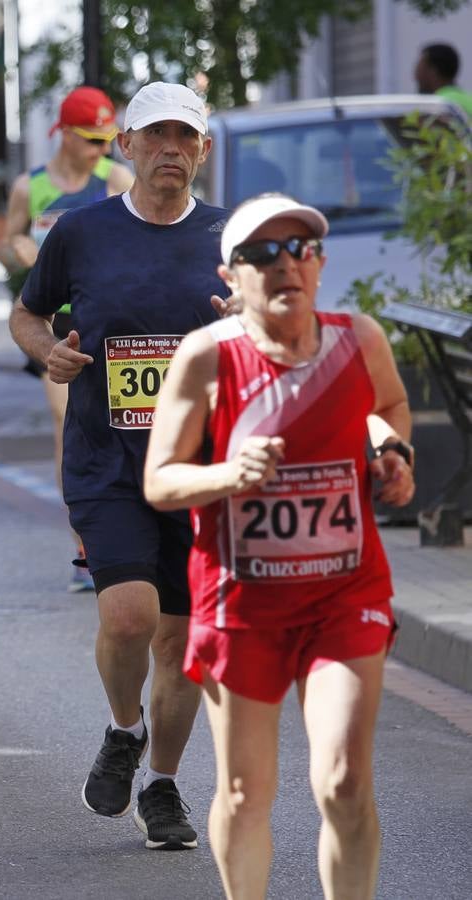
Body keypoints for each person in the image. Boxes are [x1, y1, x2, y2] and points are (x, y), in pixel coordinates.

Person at [144, 194, 415, 899]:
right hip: (242, 601)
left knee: (344, 778)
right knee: (241, 792)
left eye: (300, 249)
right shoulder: (207, 358)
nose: (284, 263)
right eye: (262, 254)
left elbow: (385, 409)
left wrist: (390, 452)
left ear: (319, 265)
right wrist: (228, 473)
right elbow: (159, 479)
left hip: (342, 592)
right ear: (230, 277)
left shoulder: (358, 339)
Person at [10, 81, 229, 851]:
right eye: (154, 136)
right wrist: (48, 352)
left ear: (201, 150)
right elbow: (27, 312)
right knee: (128, 617)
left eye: (185, 137)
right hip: (107, 458)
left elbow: (281, 335)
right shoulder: (80, 232)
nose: (170, 149)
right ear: (125, 147)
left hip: (201, 470)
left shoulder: (229, 239)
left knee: (181, 647)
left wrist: (250, 328)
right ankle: (120, 728)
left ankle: (161, 786)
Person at [0, 86, 134, 593]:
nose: (101, 149)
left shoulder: (116, 180)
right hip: (55, 324)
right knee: (65, 420)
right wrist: (21, 252)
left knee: (123, 420)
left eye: (106, 140)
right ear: (64, 133)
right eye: (91, 139)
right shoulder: (28, 187)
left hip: (111, 323)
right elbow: (7, 241)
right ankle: (83, 543)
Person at [414, 42, 472, 118]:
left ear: (433, 71)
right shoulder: (468, 98)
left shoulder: (438, 105)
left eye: (419, 69)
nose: (415, 77)